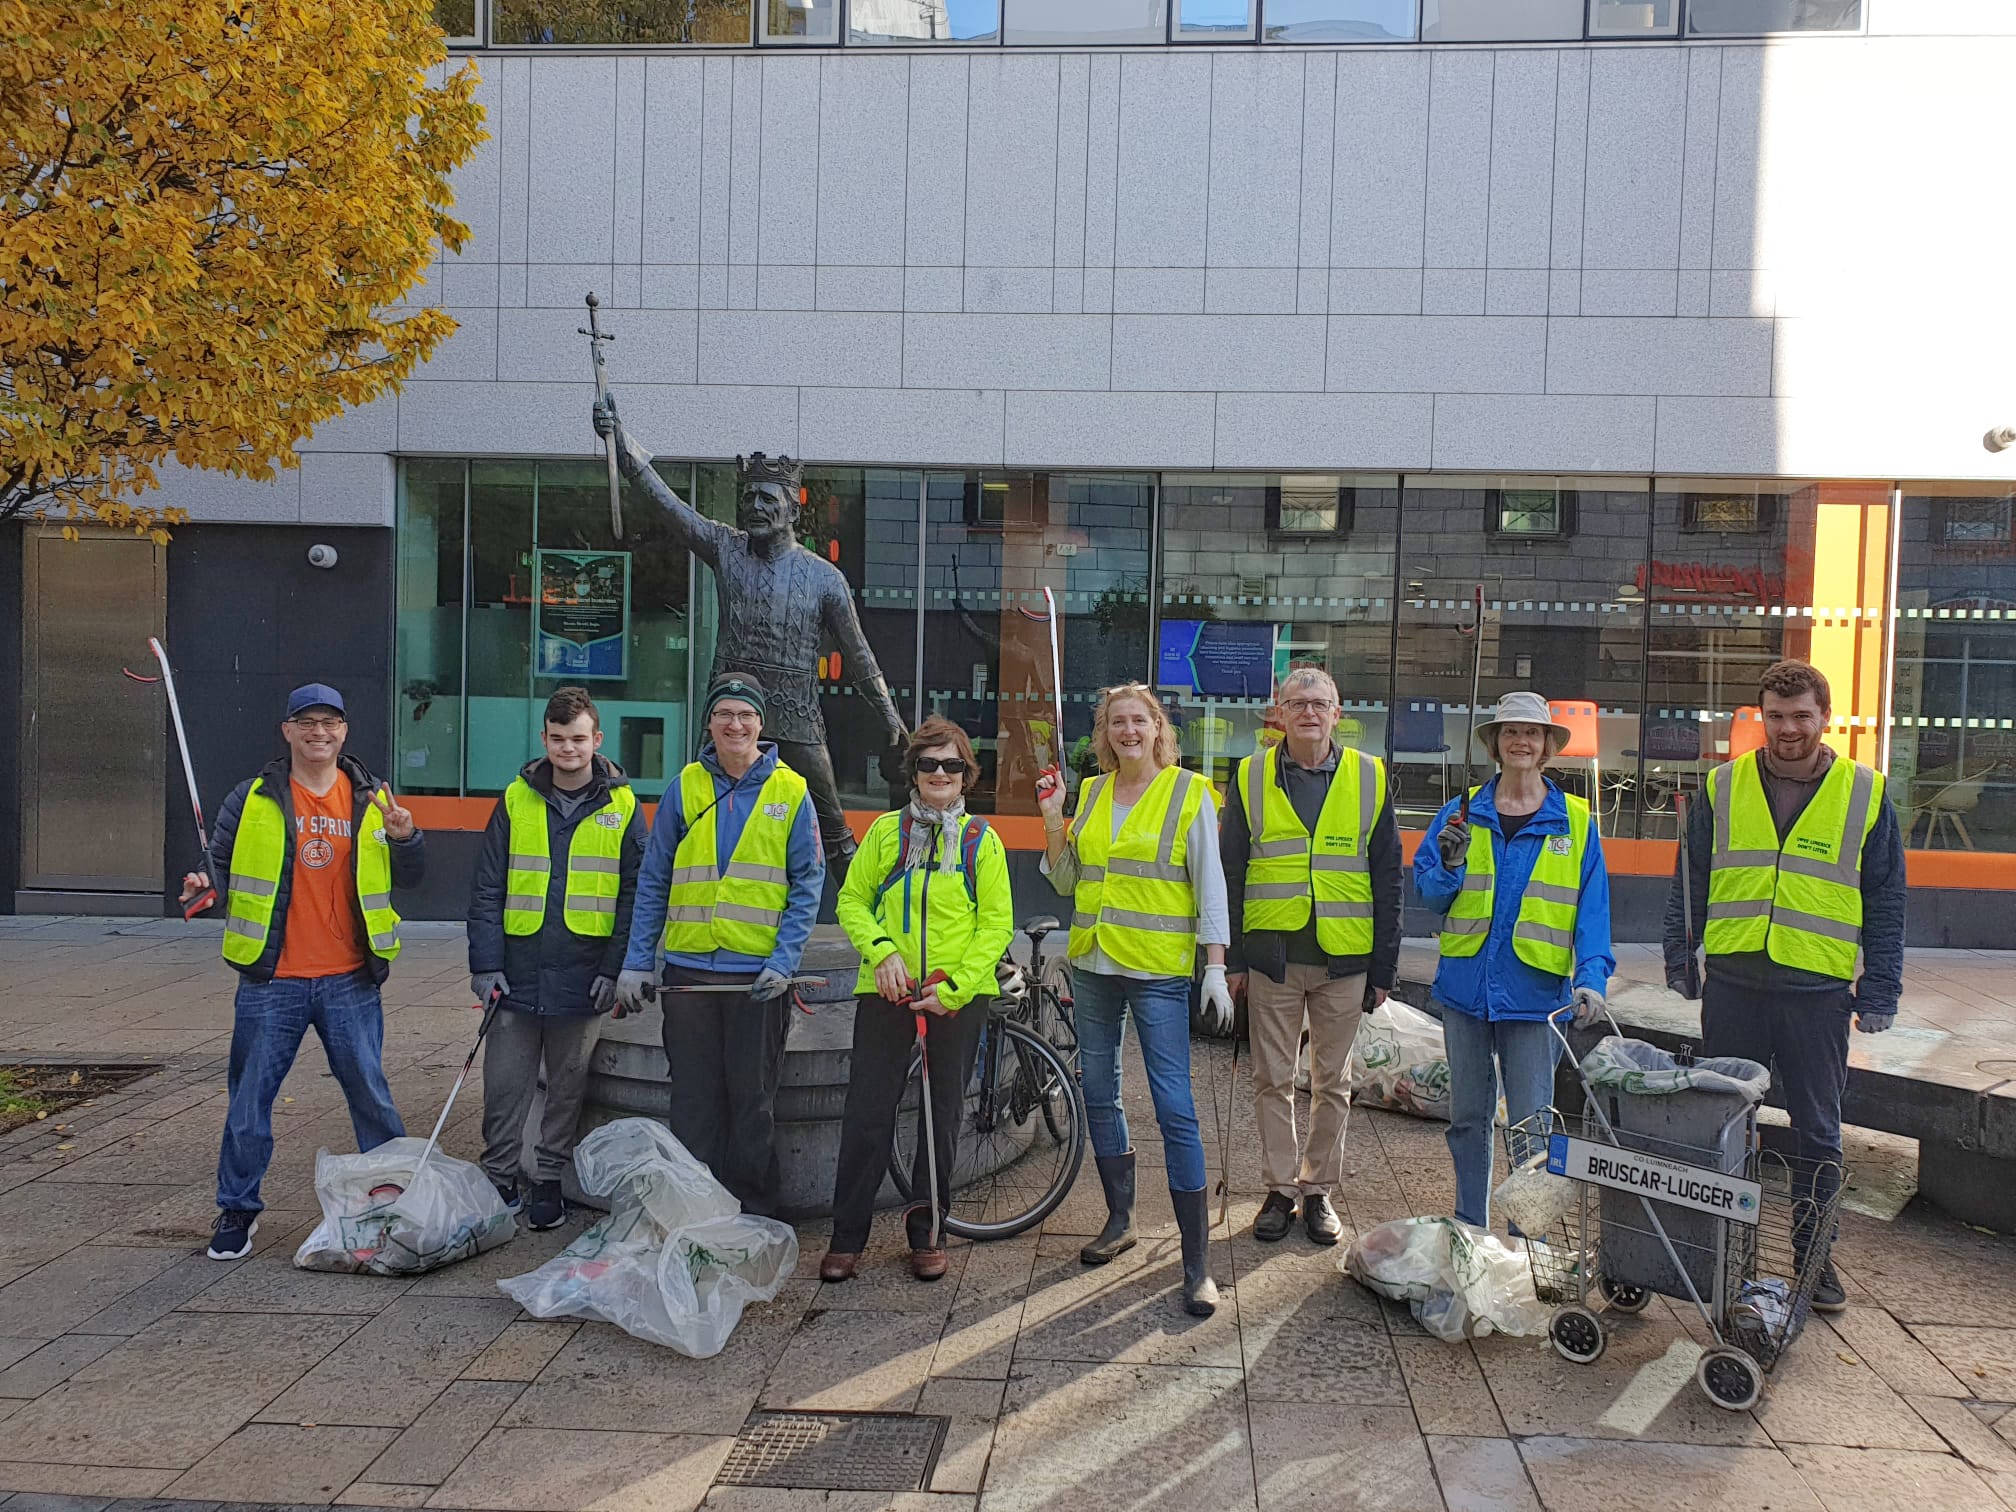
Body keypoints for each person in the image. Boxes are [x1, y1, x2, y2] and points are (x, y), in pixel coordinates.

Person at [1663, 658, 1903, 1312]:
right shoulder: (1724, 785)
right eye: (1776, 716)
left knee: (1818, 1132)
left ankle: (1815, 1262)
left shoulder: (1866, 794)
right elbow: (1689, 879)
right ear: (1760, 717)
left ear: (1825, 719)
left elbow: (1885, 900)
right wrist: (1679, 955)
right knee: (1723, 1125)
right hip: (1735, 986)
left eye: (1802, 716)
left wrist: (1881, 989)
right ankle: (1724, 1253)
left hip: (1818, 994)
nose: (1789, 728)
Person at [593, 395, 906, 873]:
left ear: (793, 511)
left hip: (798, 718)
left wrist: (888, 714)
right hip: (730, 715)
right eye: (749, 498)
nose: (755, 507)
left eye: (768, 499)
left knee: (836, 831)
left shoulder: (824, 578)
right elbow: (669, 506)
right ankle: (667, 910)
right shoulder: (726, 548)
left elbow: (860, 656)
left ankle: (874, 933)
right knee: (696, 818)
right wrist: (621, 444)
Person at [180, 683, 425, 1261]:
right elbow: (213, 864)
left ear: (345, 731)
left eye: (330, 722)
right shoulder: (253, 797)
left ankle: (396, 1204)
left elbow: (412, 876)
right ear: (287, 731)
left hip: (350, 980)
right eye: (307, 722)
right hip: (273, 981)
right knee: (249, 1104)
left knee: (371, 1096)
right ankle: (237, 1211)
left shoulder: (371, 798)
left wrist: (407, 837)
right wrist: (200, 884)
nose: (319, 732)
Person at [1038, 683, 1234, 1317]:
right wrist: (1051, 819)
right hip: (1094, 962)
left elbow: (1210, 885)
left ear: (1158, 729)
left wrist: (1214, 967)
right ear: (1105, 733)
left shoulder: (1188, 793)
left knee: (1175, 1106)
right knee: (1099, 1091)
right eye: (1116, 722)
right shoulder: (1091, 793)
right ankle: (1120, 1220)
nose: (1128, 731)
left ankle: (1197, 1263)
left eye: (1139, 721)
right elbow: (1069, 880)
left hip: (1156, 970)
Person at [616, 673, 823, 1216]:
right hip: (688, 976)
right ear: (709, 723)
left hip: (757, 979)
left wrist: (784, 960)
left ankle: (754, 1211)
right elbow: (654, 878)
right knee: (693, 1103)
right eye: (725, 714)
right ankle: (693, 1210)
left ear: (761, 724)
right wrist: (638, 961)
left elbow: (808, 882)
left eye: (746, 715)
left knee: (753, 1102)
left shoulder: (791, 790)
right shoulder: (685, 786)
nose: (736, 724)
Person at [1413, 690, 1614, 1233]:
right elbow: (1428, 894)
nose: (1521, 741)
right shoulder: (1460, 814)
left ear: (1547, 745)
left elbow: (1592, 912)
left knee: (1531, 1126)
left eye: (1532, 732)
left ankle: (1526, 1242)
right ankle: (1469, 1229)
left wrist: (1592, 978)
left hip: (1535, 999)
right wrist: (1448, 866)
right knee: (1469, 1120)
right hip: (1466, 993)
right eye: (1510, 732)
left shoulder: (1574, 821)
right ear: (1496, 745)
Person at [823, 717, 1015, 1283]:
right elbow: (853, 900)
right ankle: (846, 1236)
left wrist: (955, 989)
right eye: (929, 763)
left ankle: (927, 1232)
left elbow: (996, 923)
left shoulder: (983, 840)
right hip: (887, 988)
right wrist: (882, 953)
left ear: (966, 775)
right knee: (867, 1112)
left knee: (941, 1115)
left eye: (951, 764)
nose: (939, 773)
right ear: (914, 770)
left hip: (955, 995)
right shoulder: (887, 832)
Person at [1221, 666, 1402, 1247]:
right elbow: (1230, 870)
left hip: (1344, 959)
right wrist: (1231, 960)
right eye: (1297, 703)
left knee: (1334, 1082)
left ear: (1338, 712)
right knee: (1271, 1078)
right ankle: (1279, 1190)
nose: (1309, 713)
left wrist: (1384, 968)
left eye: (1320, 703)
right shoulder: (1248, 777)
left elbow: (1388, 877)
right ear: (1280, 712)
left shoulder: (1370, 778)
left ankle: (1318, 1189)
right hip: (1271, 954)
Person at [466, 686, 645, 1230]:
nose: (569, 748)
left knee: (567, 1091)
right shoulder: (515, 798)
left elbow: (635, 893)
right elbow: (487, 887)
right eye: (559, 738)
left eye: (579, 738)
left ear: (598, 740)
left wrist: (614, 970)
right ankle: (499, 1177)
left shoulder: (623, 804)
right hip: (516, 973)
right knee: (504, 1087)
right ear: (544, 738)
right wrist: (484, 965)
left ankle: (547, 1182)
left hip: (584, 977)